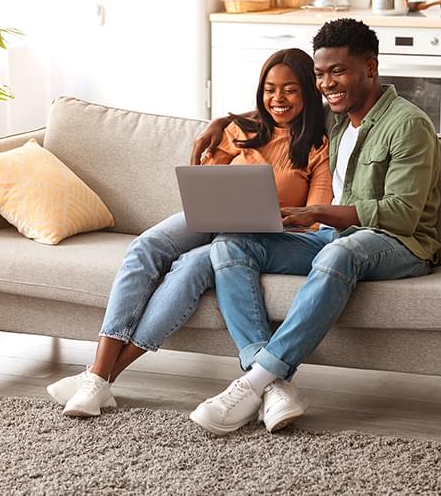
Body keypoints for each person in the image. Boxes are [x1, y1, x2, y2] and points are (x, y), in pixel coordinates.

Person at [188, 18, 441, 436]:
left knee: (338, 251)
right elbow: (283, 106)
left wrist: (319, 213)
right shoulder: (338, 118)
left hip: (401, 244)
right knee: (231, 243)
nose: (327, 84)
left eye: (338, 71)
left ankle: (252, 381)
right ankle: (274, 387)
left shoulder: (407, 123)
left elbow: (401, 213)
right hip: (335, 238)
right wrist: (226, 122)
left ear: (371, 68)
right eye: (321, 74)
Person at [46, 48, 332, 417]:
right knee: (145, 247)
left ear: (309, 91)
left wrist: (273, 214)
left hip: (260, 235)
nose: (277, 99)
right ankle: (99, 375)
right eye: (269, 89)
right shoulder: (239, 130)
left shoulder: (319, 146)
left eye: (290, 90)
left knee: (190, 271)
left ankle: (99, 379)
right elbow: (206, 178)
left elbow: (313, 218)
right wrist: (223, 129)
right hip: (212, 215)